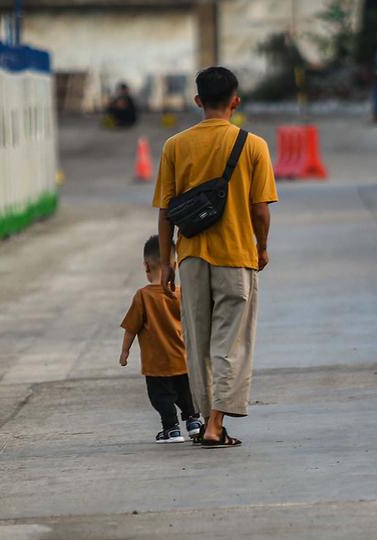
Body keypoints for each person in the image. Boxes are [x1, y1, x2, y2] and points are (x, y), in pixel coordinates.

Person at [153, 66, 277, 448]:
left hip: (190, 257)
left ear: (197, 101)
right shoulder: (253, 145)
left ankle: (208, 419)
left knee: (198, 341)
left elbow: (165, 211)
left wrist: (165, 262)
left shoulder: (175, 145)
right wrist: (262, 245)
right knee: (230, 342)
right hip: (236, 256)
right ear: (235, 101)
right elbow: (260, 209)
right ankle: (215, 423)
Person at [120, 236, 202, 443]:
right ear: (174, 265)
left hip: (156, 364)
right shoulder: (181, 293)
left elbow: (131, 328)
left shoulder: (142, 296)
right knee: (186, 393)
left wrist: (125, 351)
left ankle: (171, 429)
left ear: (147, 267)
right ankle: (194, 422)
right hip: (182, 358)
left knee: (161, 397)